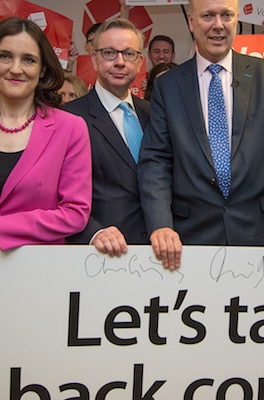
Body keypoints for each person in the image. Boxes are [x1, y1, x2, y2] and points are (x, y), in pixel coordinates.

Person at [138, 0, 264, 273]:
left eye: (226, 15)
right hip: (189, 239)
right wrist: (160, 224)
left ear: (236, 20)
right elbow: (156, 161)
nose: (218, 25)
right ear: (192, 23)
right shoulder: (168, 86)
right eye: (208, 15)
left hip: (260, 235)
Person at [0, 17, 92, 253]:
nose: (15, 68)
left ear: (42, 69)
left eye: (29, 60)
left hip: (39, 269)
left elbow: (75, 214)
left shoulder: (71, 128)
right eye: (5, 56)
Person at [64, 19, 150, 256]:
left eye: (129, 54)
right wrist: (93, 232)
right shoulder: (68, 118)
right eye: (110, 53)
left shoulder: (153, 114)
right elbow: (55, 192)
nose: (120, 62)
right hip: (97, 252)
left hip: (154, 252)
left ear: (140, 61)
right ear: (94, 58)